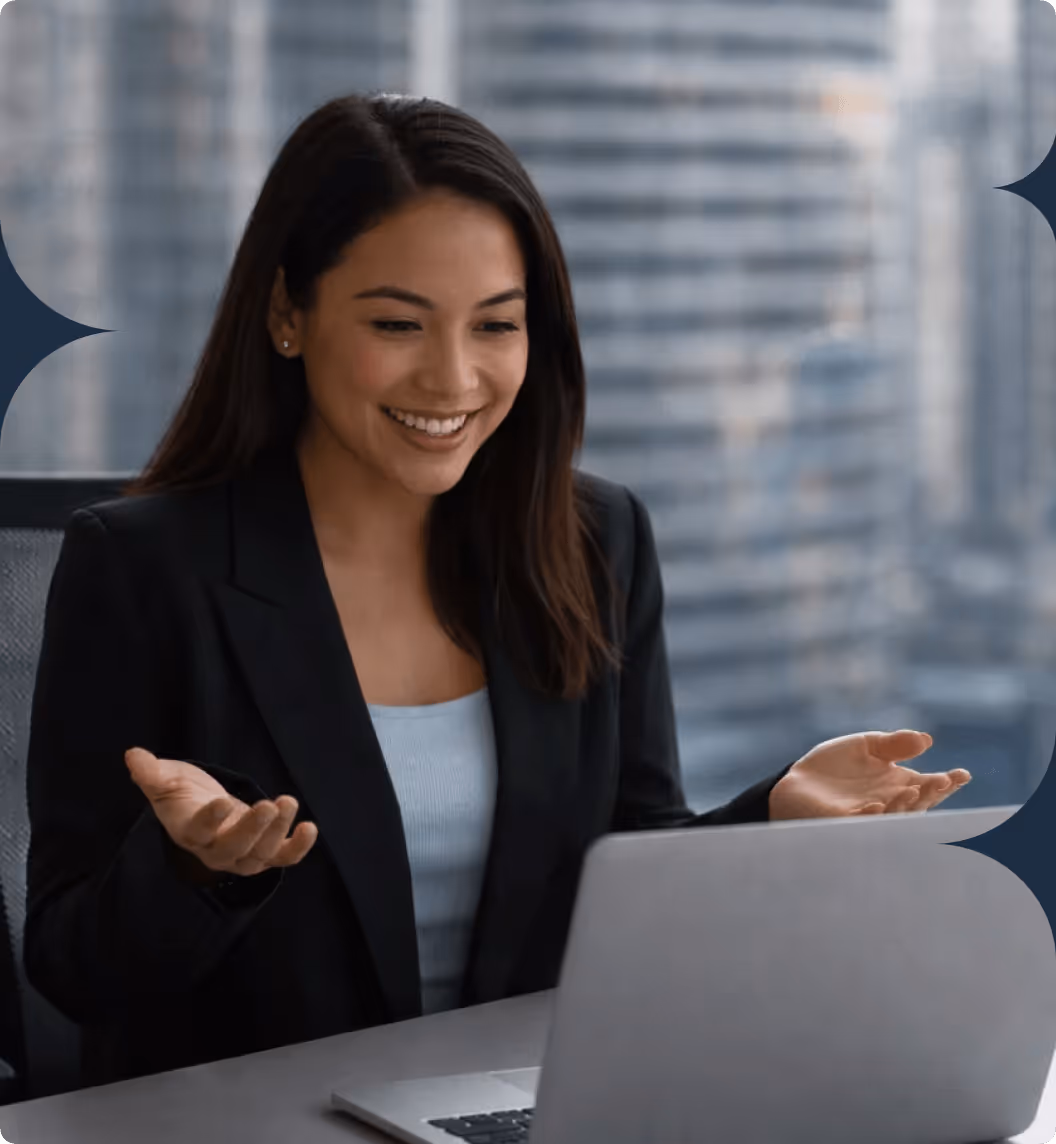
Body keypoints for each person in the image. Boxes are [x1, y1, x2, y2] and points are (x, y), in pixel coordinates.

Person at [22, 92, 971, 1090]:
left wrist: (768, 818)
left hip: (524, 1107)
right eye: (398, 323)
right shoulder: (143, 570)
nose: (454, 377)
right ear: (286, 314)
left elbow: (623, 868)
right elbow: (69, 967)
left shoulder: (595, 542)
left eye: (497, 325)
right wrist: (194, 872)